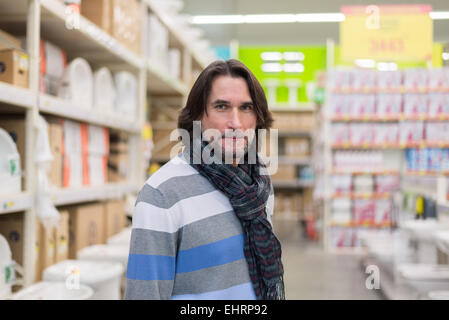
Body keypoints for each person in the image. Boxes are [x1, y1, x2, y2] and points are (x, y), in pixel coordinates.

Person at [125, 59, 285, 300]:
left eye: (246, 108)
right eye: (222, 107)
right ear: (198, 116)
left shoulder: (259, 182)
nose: (236, 123)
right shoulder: (162, 194)